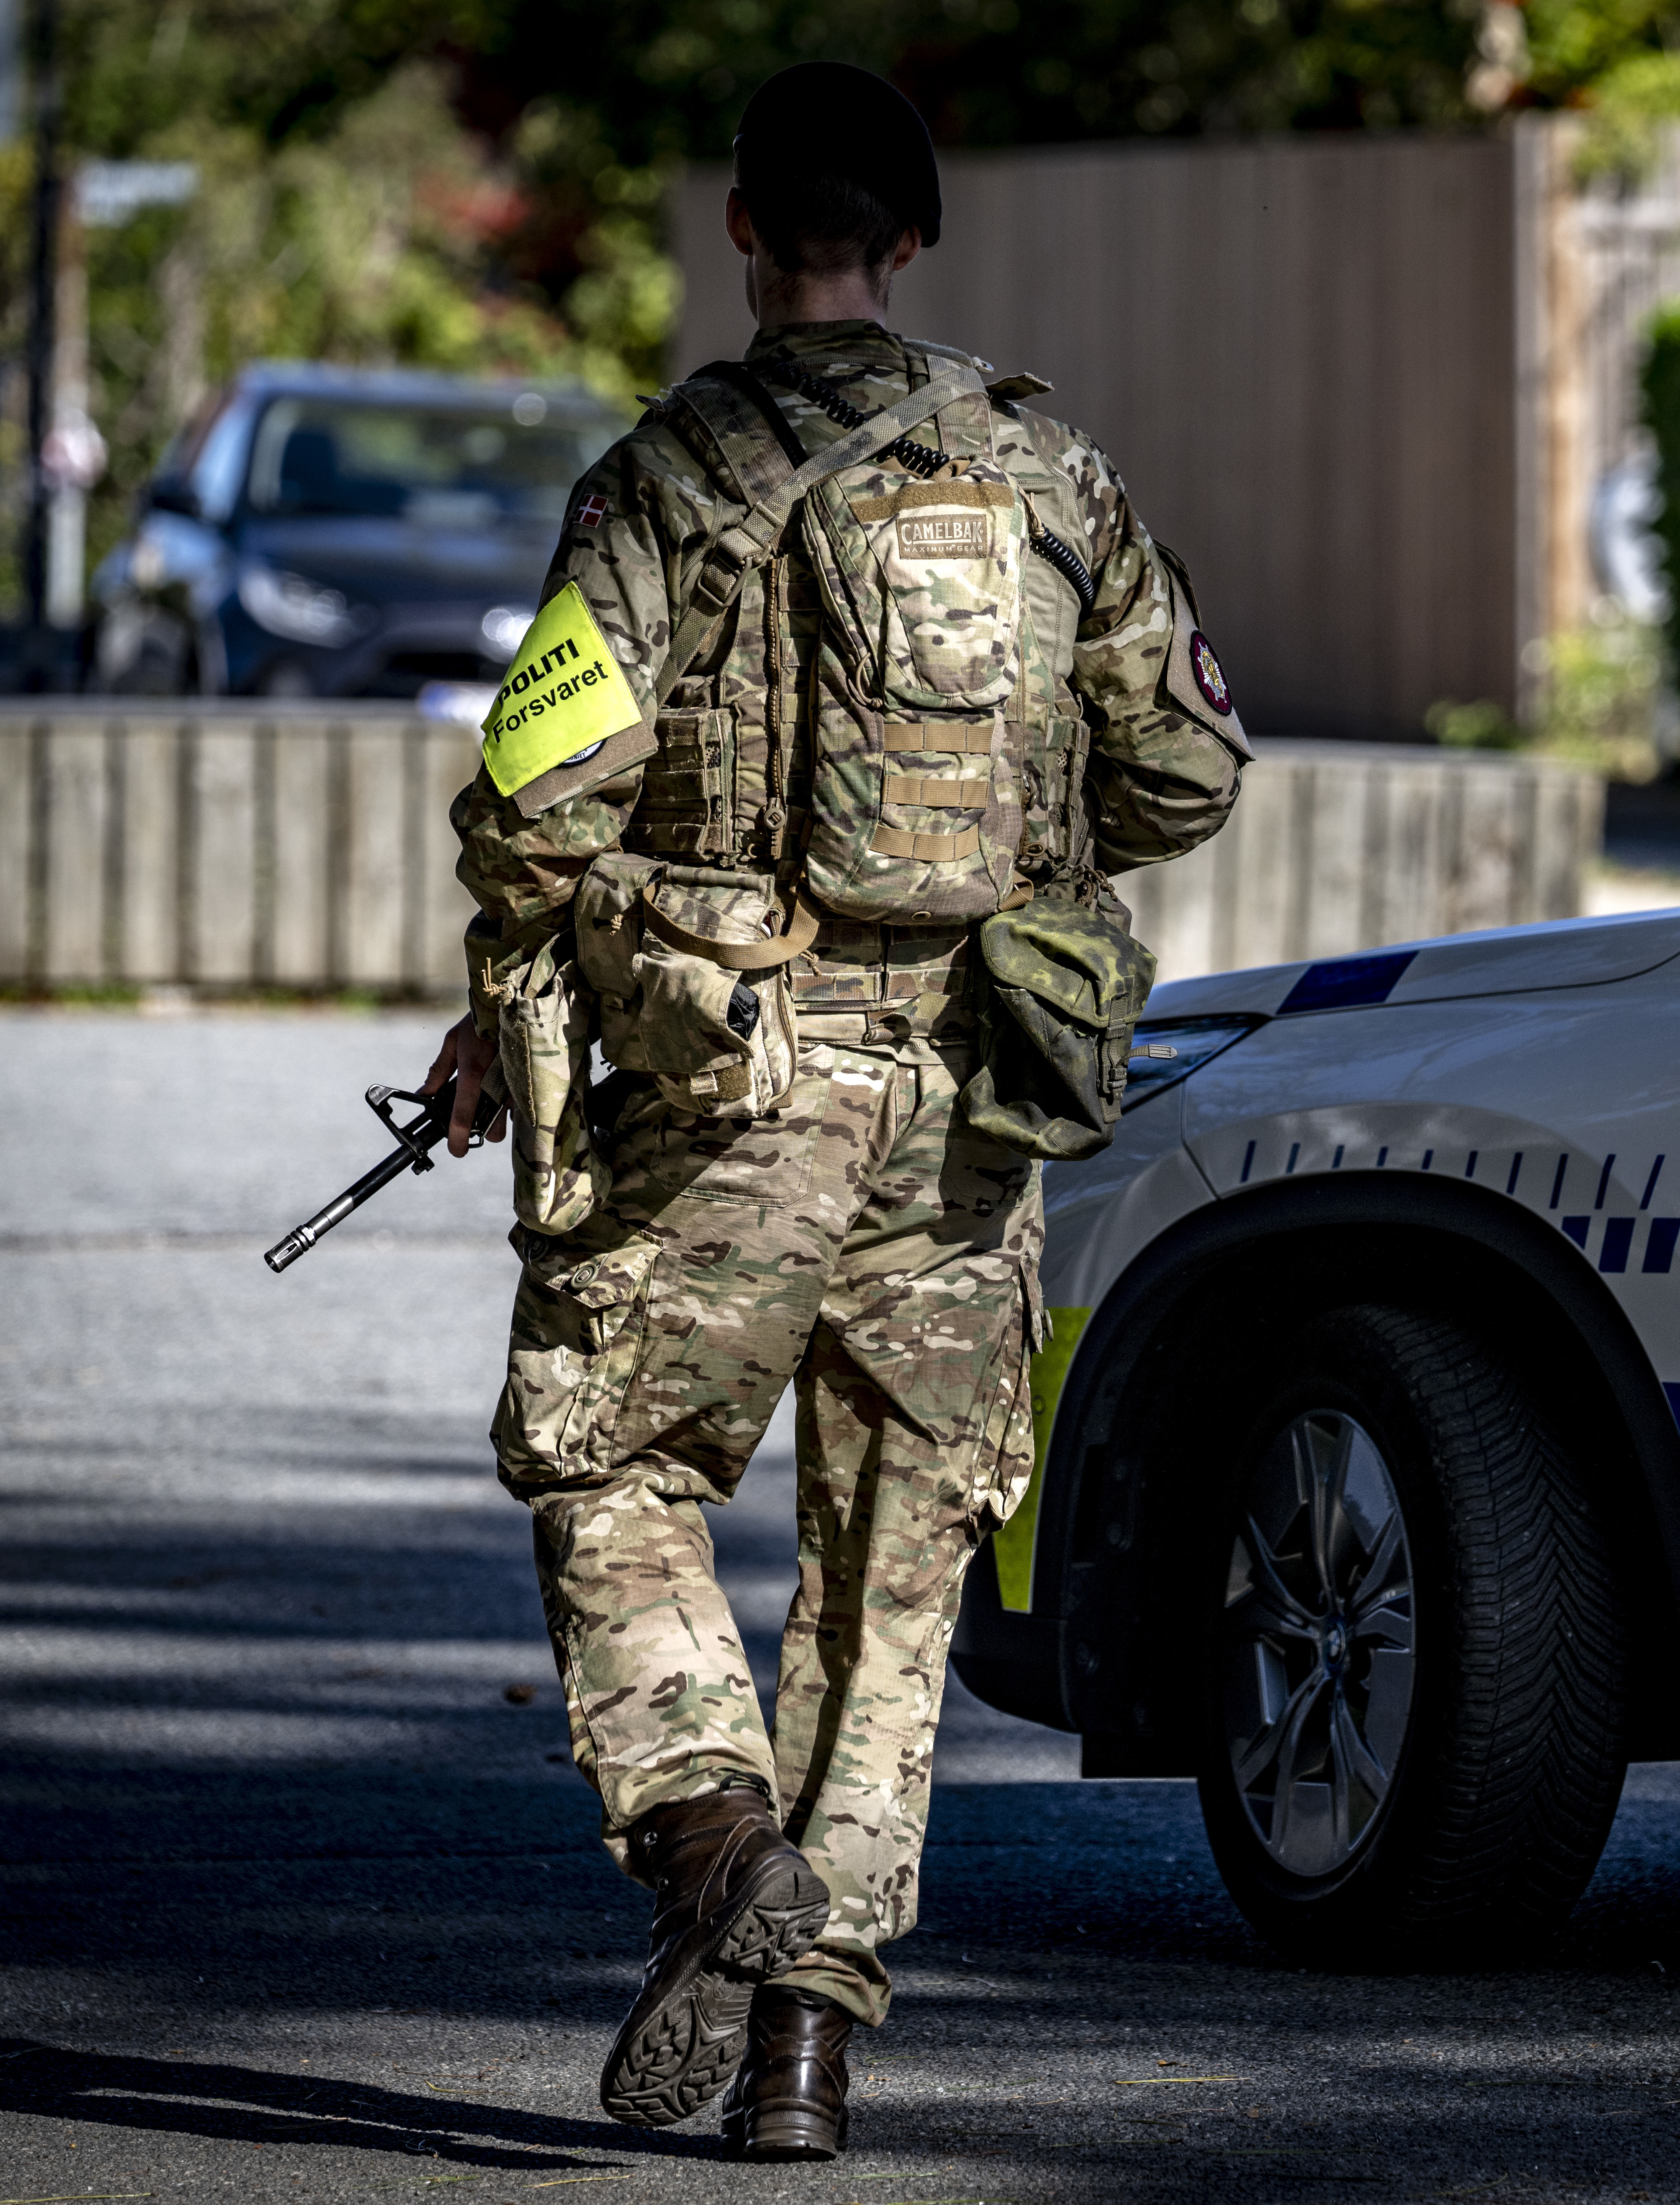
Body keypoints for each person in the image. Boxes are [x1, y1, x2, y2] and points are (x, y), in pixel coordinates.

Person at [420, 59, 1247, 2162]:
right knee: (899, 1577)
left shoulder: (668, 476)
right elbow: (1191, 772)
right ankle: (808, 2053)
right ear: (918, 235)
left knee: (608, 1465)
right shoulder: (1052, 468)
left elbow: (536, 805)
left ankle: (710, 1842)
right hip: (973, 1106)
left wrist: (519, 983)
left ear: (739, 227)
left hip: (734, 1090)